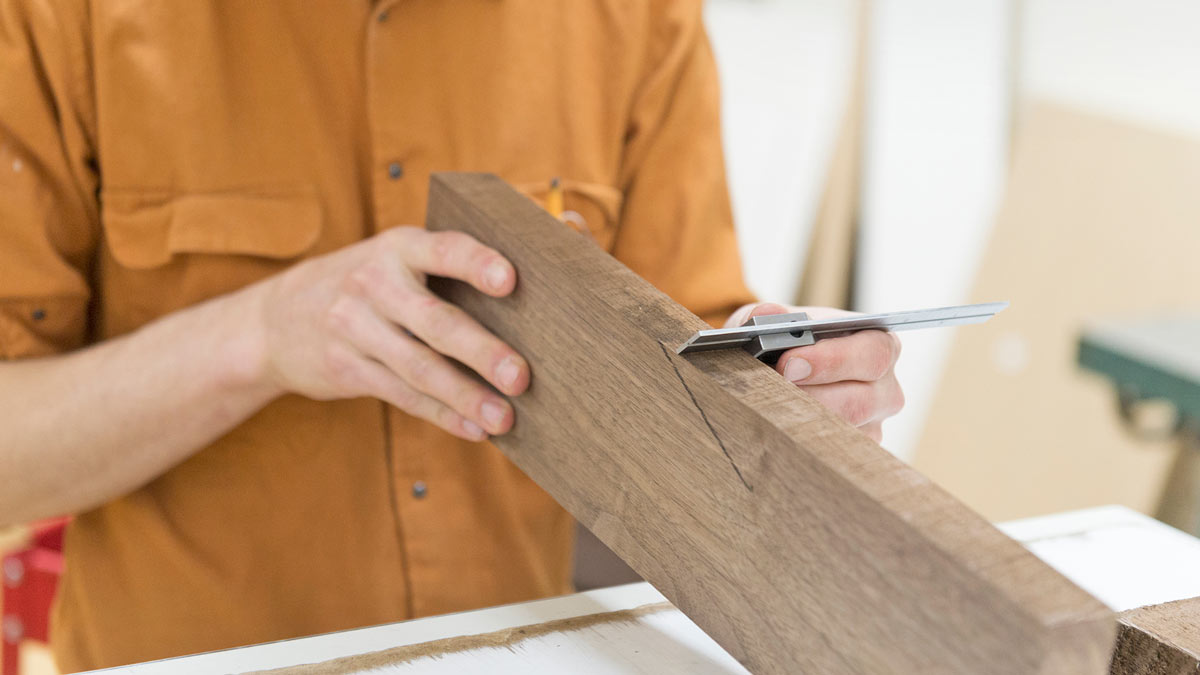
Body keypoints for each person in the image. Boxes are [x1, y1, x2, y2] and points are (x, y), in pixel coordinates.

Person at [0, 1, 903, 670]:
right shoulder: (63, 19)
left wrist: (784, 380)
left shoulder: (634, 19)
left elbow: (688, 377)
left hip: (514, 650)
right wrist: (261, 335)